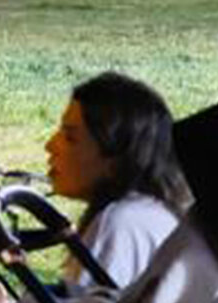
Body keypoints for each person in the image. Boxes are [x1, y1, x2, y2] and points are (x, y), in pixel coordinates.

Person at [45, 71, 188, 289]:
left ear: (116, 157)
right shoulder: (153, 214)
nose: (51, 145)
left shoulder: (123, 224)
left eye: (70, 137)